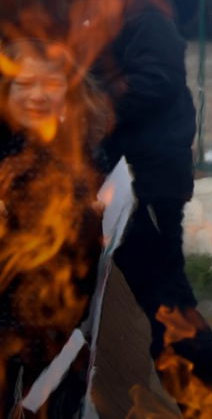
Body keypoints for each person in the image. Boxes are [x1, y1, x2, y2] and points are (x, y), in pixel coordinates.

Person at [64, 0, 212, 412]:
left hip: (142, 179)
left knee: (168, 308)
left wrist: (85, 111)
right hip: (111, 177)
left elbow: (157, 77)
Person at [0, 38, 109, 415]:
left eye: (51, 83)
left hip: (61, 320)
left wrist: (96, 215)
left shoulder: (84, 150)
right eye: (24, 84)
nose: (37, 95)